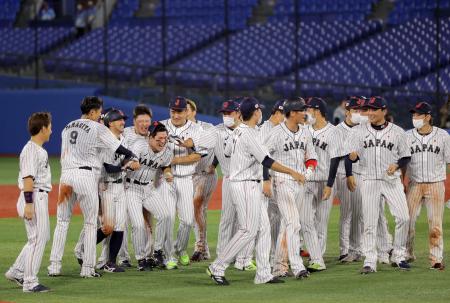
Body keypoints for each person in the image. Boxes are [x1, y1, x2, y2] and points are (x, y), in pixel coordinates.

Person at [206, 97, 306, 285]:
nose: (261, 114)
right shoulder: (249, 134)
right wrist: (293, 171)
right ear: (256, 112)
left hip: (247, 183)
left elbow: (227, 152)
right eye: (259, 111)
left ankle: (263, 274)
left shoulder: (238, 131)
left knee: (264, 229)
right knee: (247, 230)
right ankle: (217, 266)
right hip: (244, 184)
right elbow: (267, 161)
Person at [47, 96, 138, 278]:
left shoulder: (67, 127)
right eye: (98, 112)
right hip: (86, 176)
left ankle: (54, 266)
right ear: (92, 112)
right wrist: (132, 155)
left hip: (66, 176)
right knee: (90, 223)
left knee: (62, 222)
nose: (100, 115)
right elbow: (118, 147)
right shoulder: (97, 127)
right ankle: (88, 268)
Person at [344, 96, 411, 274]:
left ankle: (398, 255)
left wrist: (396, 165)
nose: (370, 113)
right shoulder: (358, 131)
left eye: (374, 109)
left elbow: (405, 156)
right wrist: (351, 157)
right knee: (370, 223)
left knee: (404, 217)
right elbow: (353, 155)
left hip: (391, 181)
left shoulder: (398, 132)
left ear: (384, 111)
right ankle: (370, 260)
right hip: (369, 180)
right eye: (368, 109)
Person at [265, 98, 315, 279]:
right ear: (292, 112)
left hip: (300, 182)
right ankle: (297, 266)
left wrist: (308, 172)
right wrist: (266, 180)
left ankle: (279, 266)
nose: (305, 113)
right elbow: (264, 158)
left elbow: (311, 157)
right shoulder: (276, 133)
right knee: (294, 223)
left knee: (288, 225)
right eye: (302, 110)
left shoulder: (306, 133)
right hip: (281, 181)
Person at [5, 112, 52, 292]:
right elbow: (28, 179)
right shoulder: (31, 150)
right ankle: (30, 282)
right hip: (33, 197)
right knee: (37, 239)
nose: (51, 130)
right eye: (49, 126)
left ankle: (17, 271)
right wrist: (29, 204)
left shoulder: (38, 150)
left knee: (40, 237)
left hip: (37, 197)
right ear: (42, 128)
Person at [160, 96, 209, 269]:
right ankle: (169, 255)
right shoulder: (160, 126)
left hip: (187, 179)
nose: (176, 115)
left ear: (186, 112)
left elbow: (198, 155)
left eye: (180, 111)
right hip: (165, 179)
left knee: (188, 220)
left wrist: (173, 160)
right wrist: (166, 166)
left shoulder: (197, 130)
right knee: (167, 218)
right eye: (173, 111)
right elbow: (155, 151)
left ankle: (180, 249)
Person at [405, 101, 450, 270]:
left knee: (435, 224)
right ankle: (407, 254)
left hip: (436, 184)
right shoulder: (408, 136)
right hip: (414, 184)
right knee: (407, 221)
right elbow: (403, 161)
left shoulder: (443, 135)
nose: (414, 117)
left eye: (418, 114)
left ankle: (436, 259)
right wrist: (402, 183)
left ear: (428, 117)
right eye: (413, 114)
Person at [185, 99, 218, 262]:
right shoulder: (179, 131)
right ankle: (203, 249)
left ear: (193, 112)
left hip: (206, 174)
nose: (184, 112)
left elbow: (220, 145)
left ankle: (199, 248)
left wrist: (214, 164)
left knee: (197, 205)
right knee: (195, 212)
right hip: (189, 176)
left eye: (187, 110)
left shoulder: (207, 128)